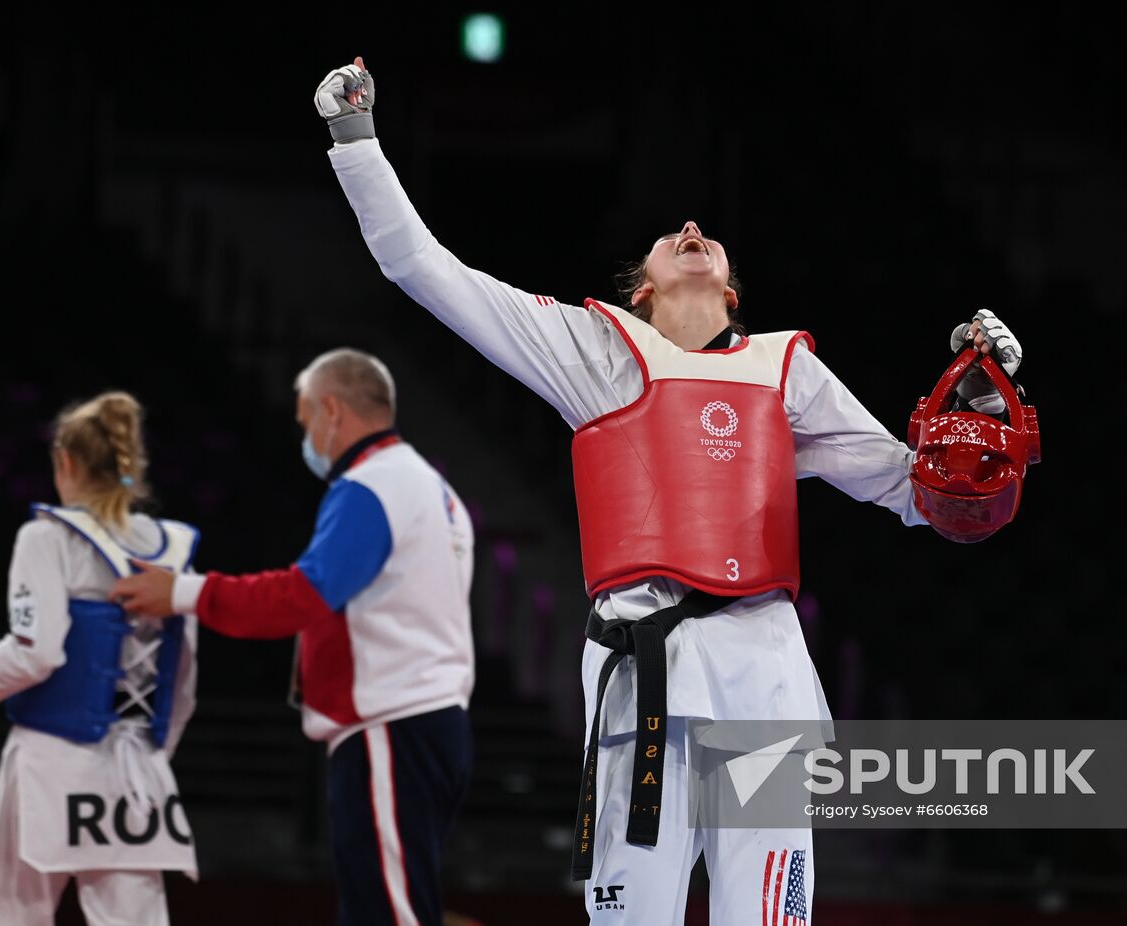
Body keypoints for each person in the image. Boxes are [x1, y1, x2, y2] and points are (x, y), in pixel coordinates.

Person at [315, 58, 1026, 924]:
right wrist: (356, 143)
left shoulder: (786, 372)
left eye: (707, 235)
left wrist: (979, 405)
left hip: (765, 678)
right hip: (642, 673)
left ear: (730, 291)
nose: (692, 225)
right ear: (645, 286)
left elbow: (924, 496)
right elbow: (423, 268)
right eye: (670, 233)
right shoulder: (595, 351)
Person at [112, 347, 476, 926]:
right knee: (385, 907)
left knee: (387, 914)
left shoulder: (375, 483)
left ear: (332, 409)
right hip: (420, 720)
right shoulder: (433, 488)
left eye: (305, 420)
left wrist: (183, 592)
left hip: (391, 721)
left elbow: (300, 597)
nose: (305, 436)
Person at [0, 391, 201, 926]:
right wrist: (154, 756)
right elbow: (184, 684)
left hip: (50, 761)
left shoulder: (47, 539)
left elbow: (35, 657)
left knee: (18, 918)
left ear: (66, 462)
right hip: (137, 772)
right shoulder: (175, 552)